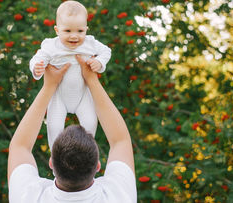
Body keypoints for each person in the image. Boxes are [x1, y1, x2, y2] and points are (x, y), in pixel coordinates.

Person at [8, 55, 137, 202]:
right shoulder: (118, 196)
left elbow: (19, 146)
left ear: (51, 163)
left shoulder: (28, 196)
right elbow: (120, 140)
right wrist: (91, 80)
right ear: (97, 166)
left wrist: (49, 86)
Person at [29, 0, 111, 148]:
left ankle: (89, 152)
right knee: (54, 126)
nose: (74, 36)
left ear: (86, 29)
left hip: (83, 94)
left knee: (90, 122)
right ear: (57, 30)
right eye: (67, 31)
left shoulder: (89, 43)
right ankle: (55, 157)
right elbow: (37, 58)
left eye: (80, 31)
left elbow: (106, 51)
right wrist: (37, 67)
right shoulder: (51, 45)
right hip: (59, 95)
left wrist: (99, 62)